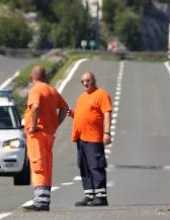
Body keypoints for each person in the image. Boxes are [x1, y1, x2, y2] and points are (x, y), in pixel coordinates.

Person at [21, 65, 69, 211]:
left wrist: (34, 125)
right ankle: (44, 199)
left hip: (38, 133)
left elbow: (35, 106)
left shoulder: (36, 90)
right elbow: (65, 108)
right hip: (49, 133)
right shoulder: (52, 90)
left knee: (38, 165)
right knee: (46, 165)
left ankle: (40, 201)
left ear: (32, 76)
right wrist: (55, 124)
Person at [72, 70, 113, 207]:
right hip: (81, 138)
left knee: (96, 166)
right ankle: (89, 194)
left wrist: (106, 133)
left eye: (88, 80)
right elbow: (81, 114)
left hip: (94, 138)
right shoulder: (82, 96)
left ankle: (101, 196)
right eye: (83, 81)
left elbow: (106, 114)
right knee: (84, 167)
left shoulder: (101, 94)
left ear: (94, 80)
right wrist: (72, 114)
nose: (85, 83)